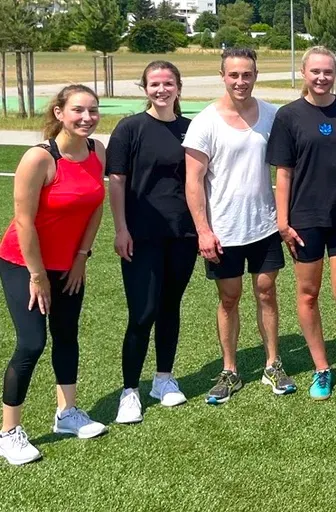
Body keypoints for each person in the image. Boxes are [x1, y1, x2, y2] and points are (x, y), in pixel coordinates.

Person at [0, 85, 108, 465]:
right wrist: (37, 275)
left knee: (67, 336)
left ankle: (67, 414)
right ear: (59, 112)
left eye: (93, 111)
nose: (87, 118)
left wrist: (81, 257)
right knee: (31, 343)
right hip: (22, 262)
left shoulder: (97, 151)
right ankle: (8, 431)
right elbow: (24, 222)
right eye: (78, 110)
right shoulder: (39, 158)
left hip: (69, 264)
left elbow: (96, 205)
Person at [184, 48, 296, 405]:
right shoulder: (204, 122)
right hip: (224, 231)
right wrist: (203, 230)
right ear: (223, 77)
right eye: (234, 75)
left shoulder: (272, 115)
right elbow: (193, 181)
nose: (240, 81)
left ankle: (272, 364)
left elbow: (286, 167)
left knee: (266, 292)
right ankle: (230, 370)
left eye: (246, 75)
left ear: (256, 76)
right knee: (229, 298)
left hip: (263, 227)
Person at [266, 46, 336, 400]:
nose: (322, 77)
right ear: (304, 74)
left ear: (335, 73)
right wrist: (283, 221)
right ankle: (322, 368)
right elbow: (284, 172)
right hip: (305, 219)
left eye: (328, 71)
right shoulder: (289, 116)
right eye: (315, 72)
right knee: (308, 295)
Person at [107, 61, 198, 424]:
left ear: (179, 87)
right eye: (154, 84)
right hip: (141, 235)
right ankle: (130, 390)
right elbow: (116, 182)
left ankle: (164, 378)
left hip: (182, 234)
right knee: (142, 312)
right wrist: (121, 228)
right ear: (144, 88)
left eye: (168, 83)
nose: (161, 90)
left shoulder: (190, 129)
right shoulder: (130, 128)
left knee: (170, 307)